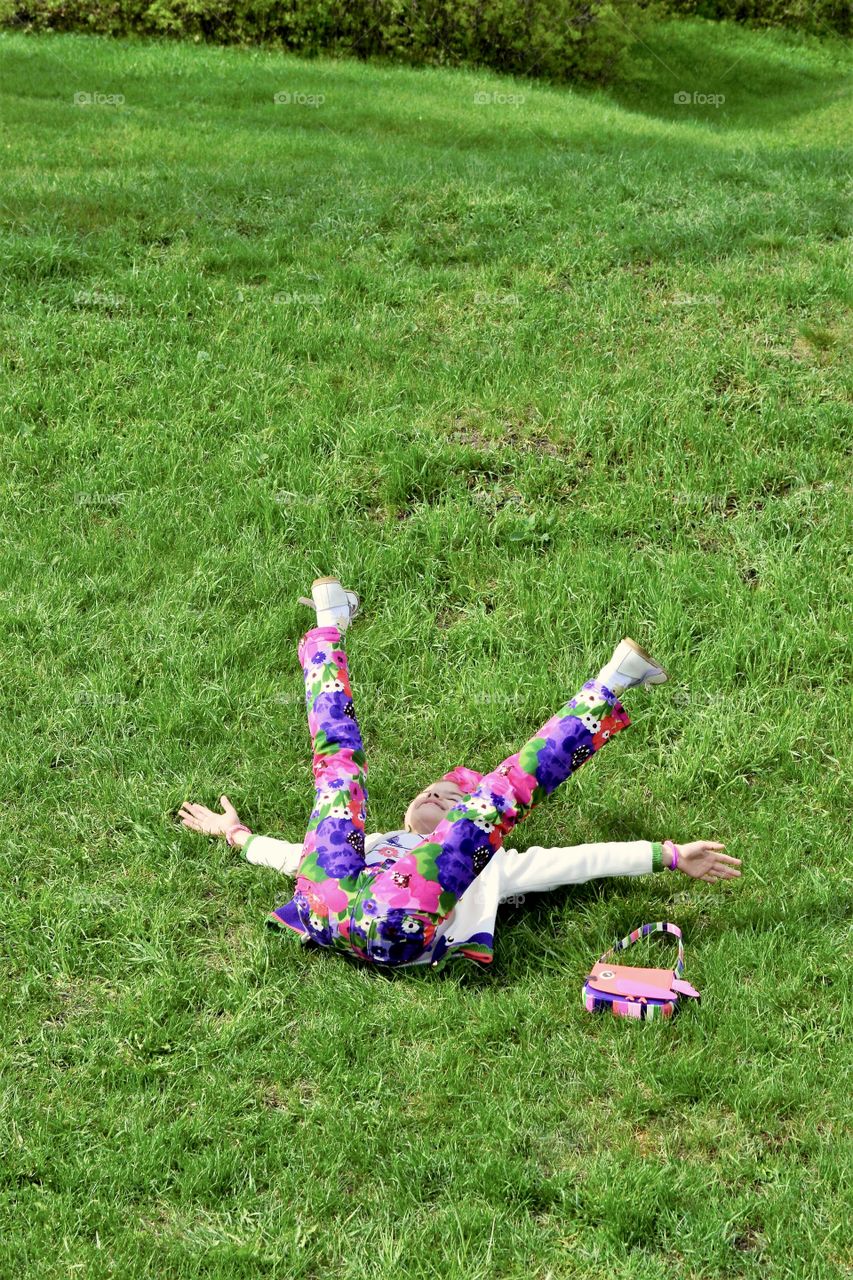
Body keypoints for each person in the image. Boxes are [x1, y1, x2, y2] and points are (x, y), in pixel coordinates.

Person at [179, 577, 741, 971]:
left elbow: (576, 863)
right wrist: (234, 833)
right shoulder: (378, 843)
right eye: (432, 790)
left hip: (392, 924)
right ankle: (328, 625)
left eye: (449, 798)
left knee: (503, 792)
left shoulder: (489, 867)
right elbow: (292, 857)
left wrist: (669, 855)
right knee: (335, 771)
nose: (434, 795)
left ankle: (614, 681)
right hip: (324, 903)